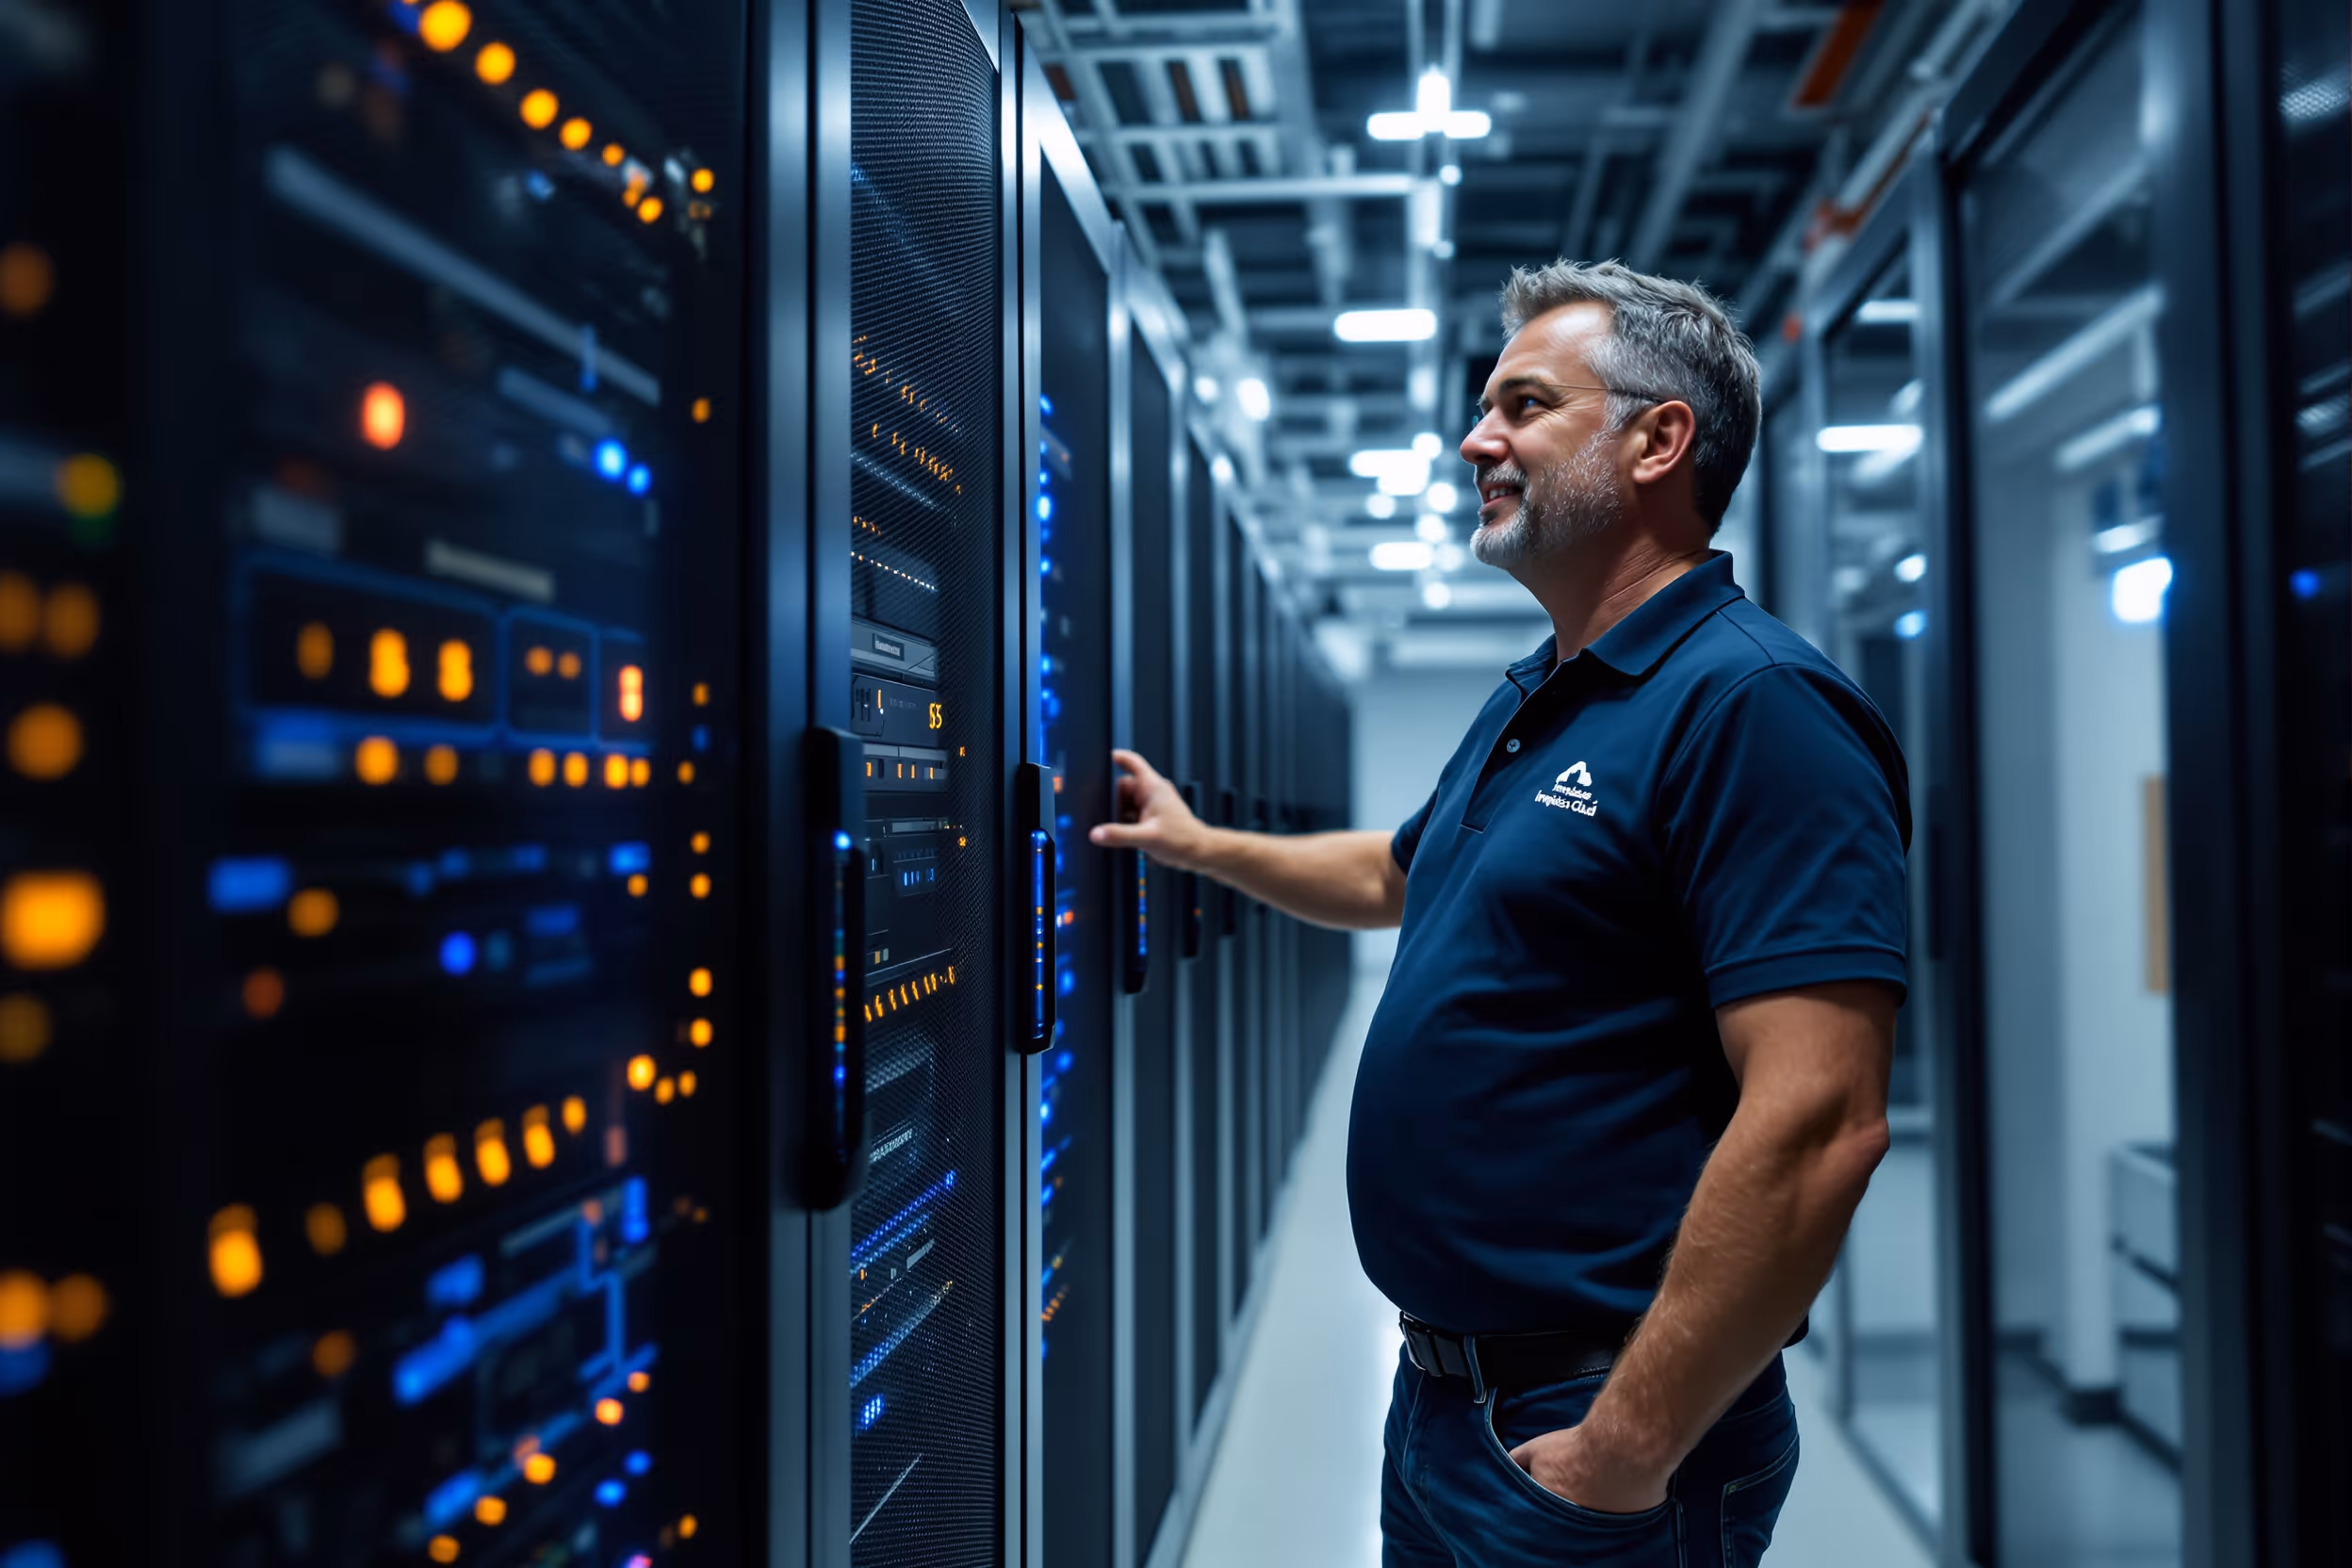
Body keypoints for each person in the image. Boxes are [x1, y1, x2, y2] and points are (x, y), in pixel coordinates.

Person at [1088, 260, 1910, 1567]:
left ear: (1660, 439)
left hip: (1590, 1418)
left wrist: (1625, 1449)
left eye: (1524, 405)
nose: (1479, 440)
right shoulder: (1548, 693)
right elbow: (1397, 877)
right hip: (1449, 1406)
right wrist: (1200, 845)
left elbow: (1820, 1122)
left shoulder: (1755, 707)